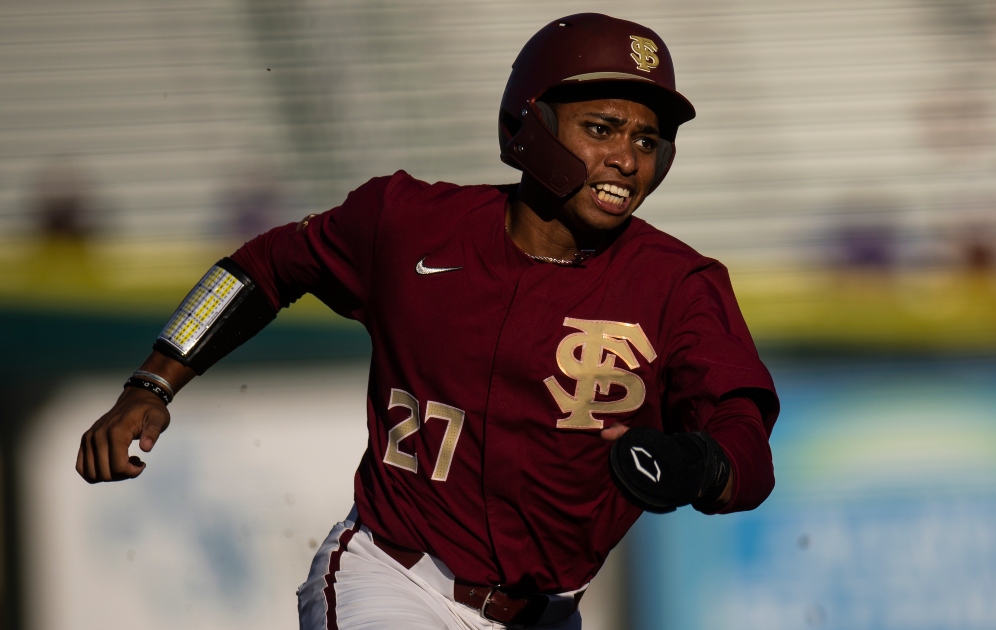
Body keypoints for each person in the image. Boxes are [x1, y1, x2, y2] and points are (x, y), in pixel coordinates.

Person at [76, 13, 778, 629]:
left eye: (648, 140)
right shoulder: (407, 223)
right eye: (601, 129)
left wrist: (699, 464)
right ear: (530, 124)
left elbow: (746, 448)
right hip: (393, 579)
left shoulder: (678, 283)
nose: (626, 157)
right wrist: (153, 383)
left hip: (550, 612)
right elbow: (261, 268)